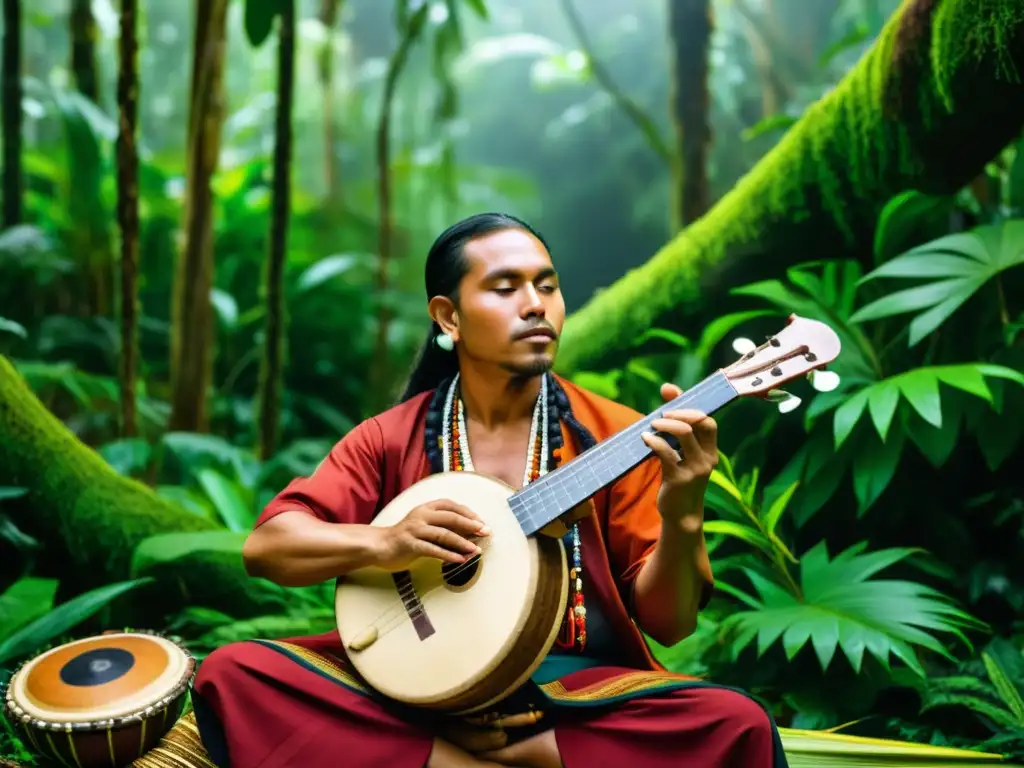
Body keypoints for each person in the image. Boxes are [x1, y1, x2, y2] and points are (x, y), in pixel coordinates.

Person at [190, 213, 789, 768]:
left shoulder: (614, 437)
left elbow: (672, 623)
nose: (536, 306)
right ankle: (455, 757)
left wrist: (682, 505)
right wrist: (387, 543)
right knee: (236, 672)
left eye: (547, 286)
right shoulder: (391, 437)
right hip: (416, 681)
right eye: (506, 288)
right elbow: (269, 547)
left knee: (737, 724)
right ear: (449, 318)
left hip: (572, 690)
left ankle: (511, 754)